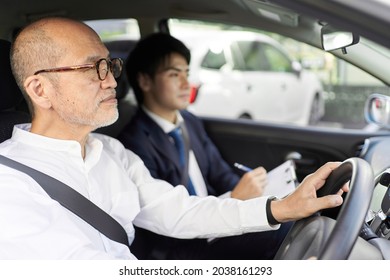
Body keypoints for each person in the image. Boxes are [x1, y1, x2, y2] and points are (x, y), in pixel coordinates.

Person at [0, 17, 347, 260]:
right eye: (93, 68)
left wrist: (280, 208)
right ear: (40, 89)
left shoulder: (111, 151)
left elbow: (178, 211)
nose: (111, 82)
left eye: (109, 64)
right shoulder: (9, 185)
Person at [118, 32, 292, 259]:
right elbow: (165, 220)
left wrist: (252, 193)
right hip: (181, 246)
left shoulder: (189, 122)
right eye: (174, 74)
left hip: (218, 222)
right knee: (283, 229)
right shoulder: (133, 144)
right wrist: (233, 200)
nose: (185, 83)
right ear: (145, 81)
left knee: (287, 222)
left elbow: (220, 173)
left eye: (187, 73)